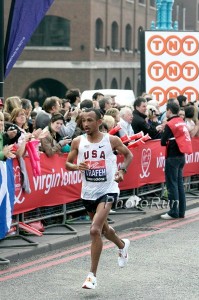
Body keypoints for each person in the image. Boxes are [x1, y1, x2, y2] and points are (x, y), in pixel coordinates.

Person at [65, 108, 133, 289]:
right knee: (103, 229)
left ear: (99, 122)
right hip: (88, 192)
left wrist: (122, 170)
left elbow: (128, 155)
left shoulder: (111, 140)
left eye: (89, 120)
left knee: (95, 230)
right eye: (83, 121)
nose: (85, 124)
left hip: (108, 190)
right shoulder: (78, 141)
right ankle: (122, 245)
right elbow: (67, 163)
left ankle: (91, 276)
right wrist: (76, 166)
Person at [160, 101, 193, 220]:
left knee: (172, 184)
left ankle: (173, 211)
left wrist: (163, 130)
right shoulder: (181, 122)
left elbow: (163, 142)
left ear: (169, 110)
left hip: (172, 156)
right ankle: (181, 211)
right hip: (181, 156)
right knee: (179, 184)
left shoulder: (170, 124)